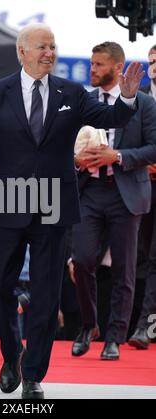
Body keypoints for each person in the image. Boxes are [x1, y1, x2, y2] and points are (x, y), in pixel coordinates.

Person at [0, 24, 143, 399]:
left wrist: (127, 99)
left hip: (53, 204)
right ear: (22, 51)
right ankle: (12, 352)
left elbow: (108, 118)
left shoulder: (72, 91)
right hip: (9, 200)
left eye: (53, 46)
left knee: (47, 295)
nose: (49, 52)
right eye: (42, 46)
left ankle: (33, 375)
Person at [71, 42, 156, 361]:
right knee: (81, 260)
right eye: (91, 64)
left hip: (126, 194)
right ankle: (88, 326)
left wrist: (117, 156)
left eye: (98, 65)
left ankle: (115, 337)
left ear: (117, 68)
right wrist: (77, 160)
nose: (92, 69)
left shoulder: (144, 104)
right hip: (89, 191)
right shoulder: (83, 101)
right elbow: (65, 146)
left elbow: (153, 148)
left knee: (124, 269)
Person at [128, 45, 156, 350]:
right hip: (139, 182)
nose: (153, 66)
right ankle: (136, 324)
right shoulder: (138, 97)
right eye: (150, 62)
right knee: (140, 257)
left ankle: (144, 327)